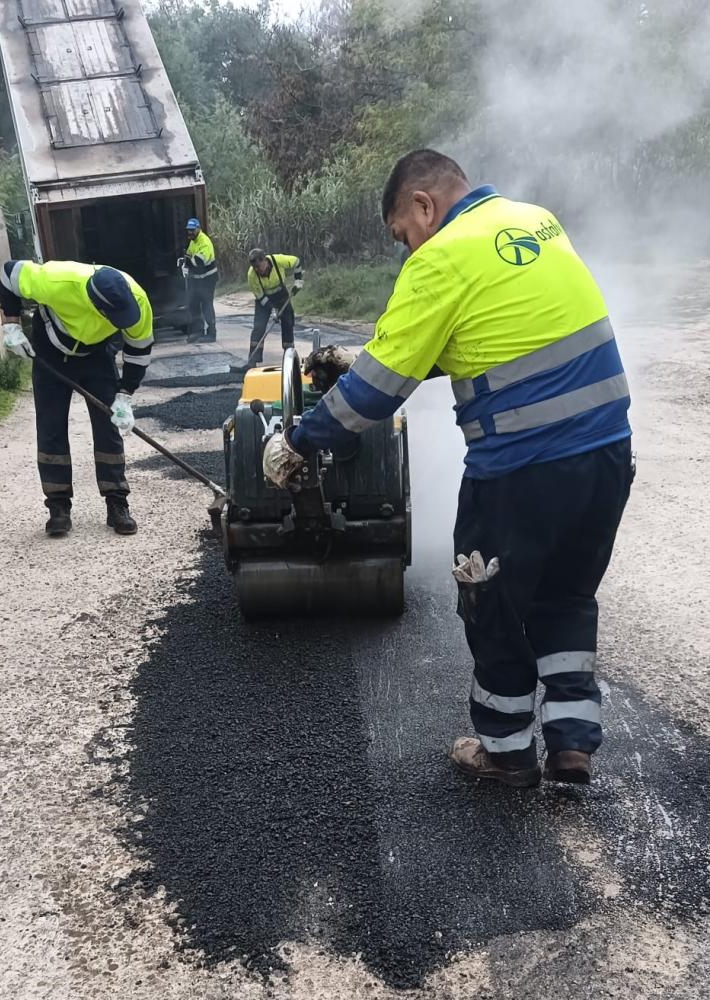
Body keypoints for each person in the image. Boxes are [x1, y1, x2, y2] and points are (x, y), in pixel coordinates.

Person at [264, 149, 634, 789]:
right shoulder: (534, 220)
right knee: (566, 597)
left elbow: (379, 393)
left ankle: (507, 752)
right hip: (608, 456)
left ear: (423, 206)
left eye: (402, 235)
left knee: (490, 605)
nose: (407, 250)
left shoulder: (439, 258)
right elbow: (489, 336)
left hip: (523, 473)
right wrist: (371, 357)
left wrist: (299, 440)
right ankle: (573, 744)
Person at [0, 259, 154, 538]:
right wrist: (11, 324)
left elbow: (138, 350)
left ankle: (117, 502)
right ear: (97, 305)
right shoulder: (58, 281)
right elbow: (9, 273)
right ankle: (58, 507)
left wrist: (125, 395)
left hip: (96, 355)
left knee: (109, 427)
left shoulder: (137, 301)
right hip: (51, 352)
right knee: (51, 427)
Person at [237, 248, 304, 370]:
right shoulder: (251, 275)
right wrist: (273, 310)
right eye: (255, 267)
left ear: (265, 261)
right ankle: (252, 360)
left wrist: (298, 280)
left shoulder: (278, 260)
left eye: (259, 266)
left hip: (281, 295)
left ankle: (288, 357)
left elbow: (297, 262)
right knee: (259, 327)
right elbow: (260, 296)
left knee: (288, 322)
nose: (257, 270)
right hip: (264, 299)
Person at [182, 218, 217, 342]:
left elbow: (199, 262)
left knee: (207, 305)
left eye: (192, 230)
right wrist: (186, 263)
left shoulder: (204, 242)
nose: (189, 233)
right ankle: (198, 331)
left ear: (198, 229)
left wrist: (188, 261)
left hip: (208, 278)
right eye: (188, 230)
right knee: (194, 304)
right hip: (197, 279)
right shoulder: (193, 241)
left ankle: (212, 333)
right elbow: (189, 256)